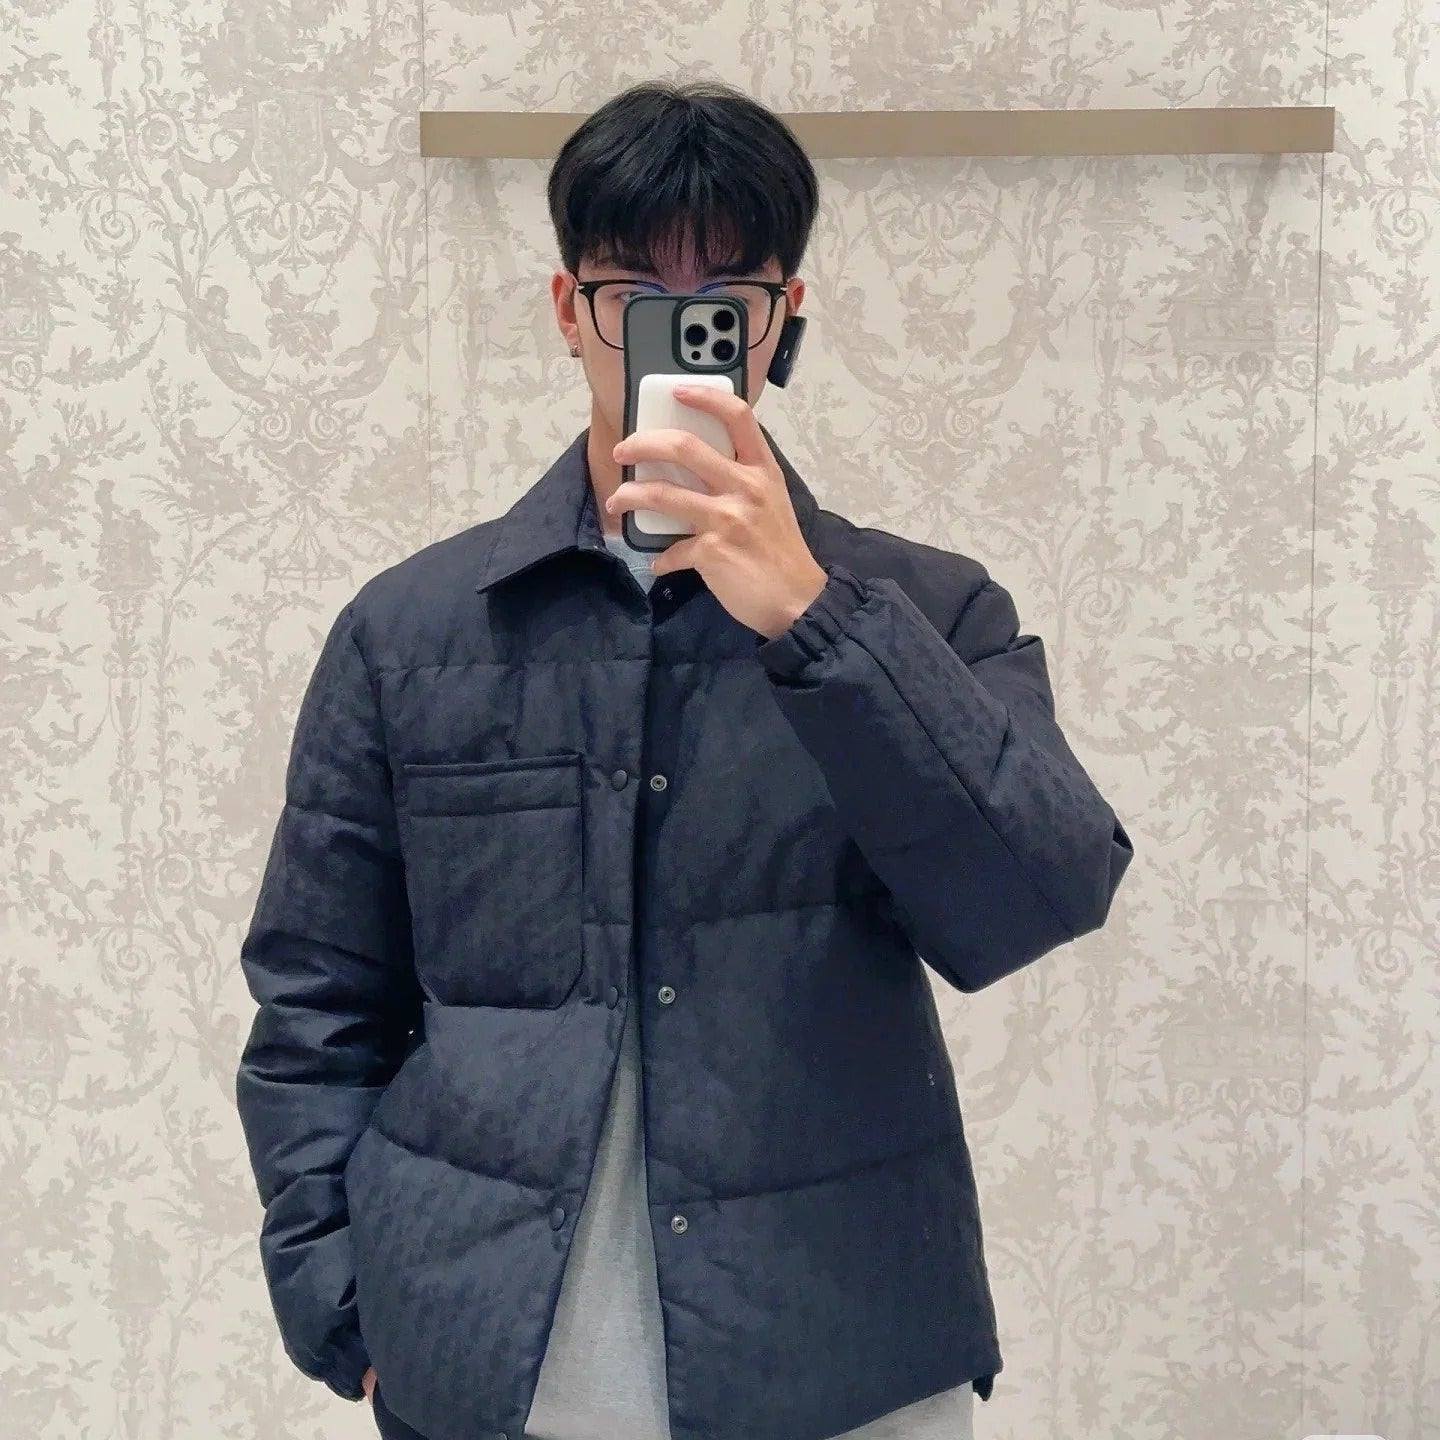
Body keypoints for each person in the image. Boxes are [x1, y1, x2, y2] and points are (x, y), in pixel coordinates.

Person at [235, 78, 1134, 1440]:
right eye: (630, 293)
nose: (676, 331)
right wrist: (338, 1300)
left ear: (782, 319)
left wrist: (816, 621)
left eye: (724, 295)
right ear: (567, 310)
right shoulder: (411, 631)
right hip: (488, 1368)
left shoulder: (930, 612)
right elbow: (318, 997)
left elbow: (1037, 898)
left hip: (841, 1362)